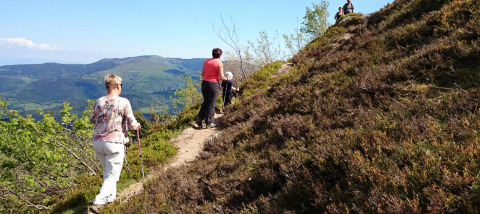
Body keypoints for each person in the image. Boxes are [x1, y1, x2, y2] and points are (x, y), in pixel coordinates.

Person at [89, 74, 141, 214]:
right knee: (112, 175)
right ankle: (98, 202)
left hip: (98, 142)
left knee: (108, 173)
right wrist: (137, 126)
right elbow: (131, 123)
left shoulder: (99, 101)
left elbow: (92, 119)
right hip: (114, 142)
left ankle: (110, 200)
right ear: (118, 86)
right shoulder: (123, 102)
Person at [196, 48, 227, 128]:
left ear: (212, 54)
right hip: (213, 84)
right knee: (212, 104)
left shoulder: (207, 61)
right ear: (220, 55)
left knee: (206, 102)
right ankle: (209, 122)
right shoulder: (219, 63)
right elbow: (221, 77)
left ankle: (199, 118)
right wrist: (227, 79)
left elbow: (202, 74)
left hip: (205, 83)